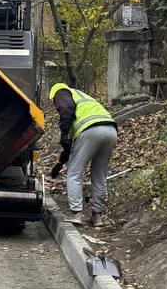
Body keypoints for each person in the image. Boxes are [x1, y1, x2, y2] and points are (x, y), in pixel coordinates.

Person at [48, 82, 118, 225]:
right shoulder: (83, 99)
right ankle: (97, 216)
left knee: (74, 173)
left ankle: (77, 214)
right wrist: (59, 164)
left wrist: (64, 132)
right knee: (99, 175)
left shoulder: (60, 91)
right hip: (111, 130)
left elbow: (66, 108)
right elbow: (69, 148)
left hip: (90, 130)